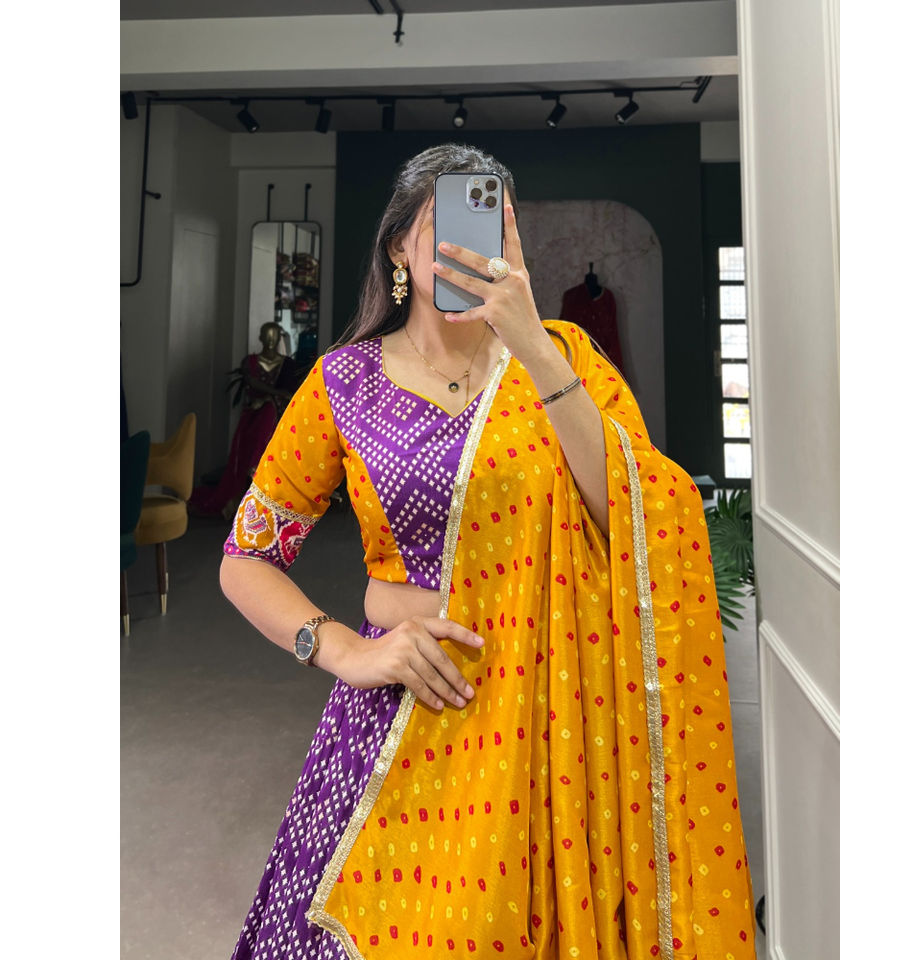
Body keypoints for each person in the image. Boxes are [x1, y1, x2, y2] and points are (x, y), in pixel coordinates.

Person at [221, 144, 757, 960]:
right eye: (444, 227)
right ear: (398, 249)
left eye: (493, 227)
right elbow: (245, 558)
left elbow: (636, 519)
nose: (469, 249)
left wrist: (533, 343)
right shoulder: (343, 383)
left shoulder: (565, 356)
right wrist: (342, 650)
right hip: (412, 711)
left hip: (557, 726)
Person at [191, 321, 299, 518]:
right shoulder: (250, 362)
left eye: (274, 335)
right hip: (252, 413)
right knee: (248, 445)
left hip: (274, 413)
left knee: (269, 414)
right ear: (260, 337)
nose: (270, 339)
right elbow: (251, 382)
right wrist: (271, 395)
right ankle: (243, 492)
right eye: (267, 334)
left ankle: (263, 488)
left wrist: (269, 398)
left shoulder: (287, 365)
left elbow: (289, 393)